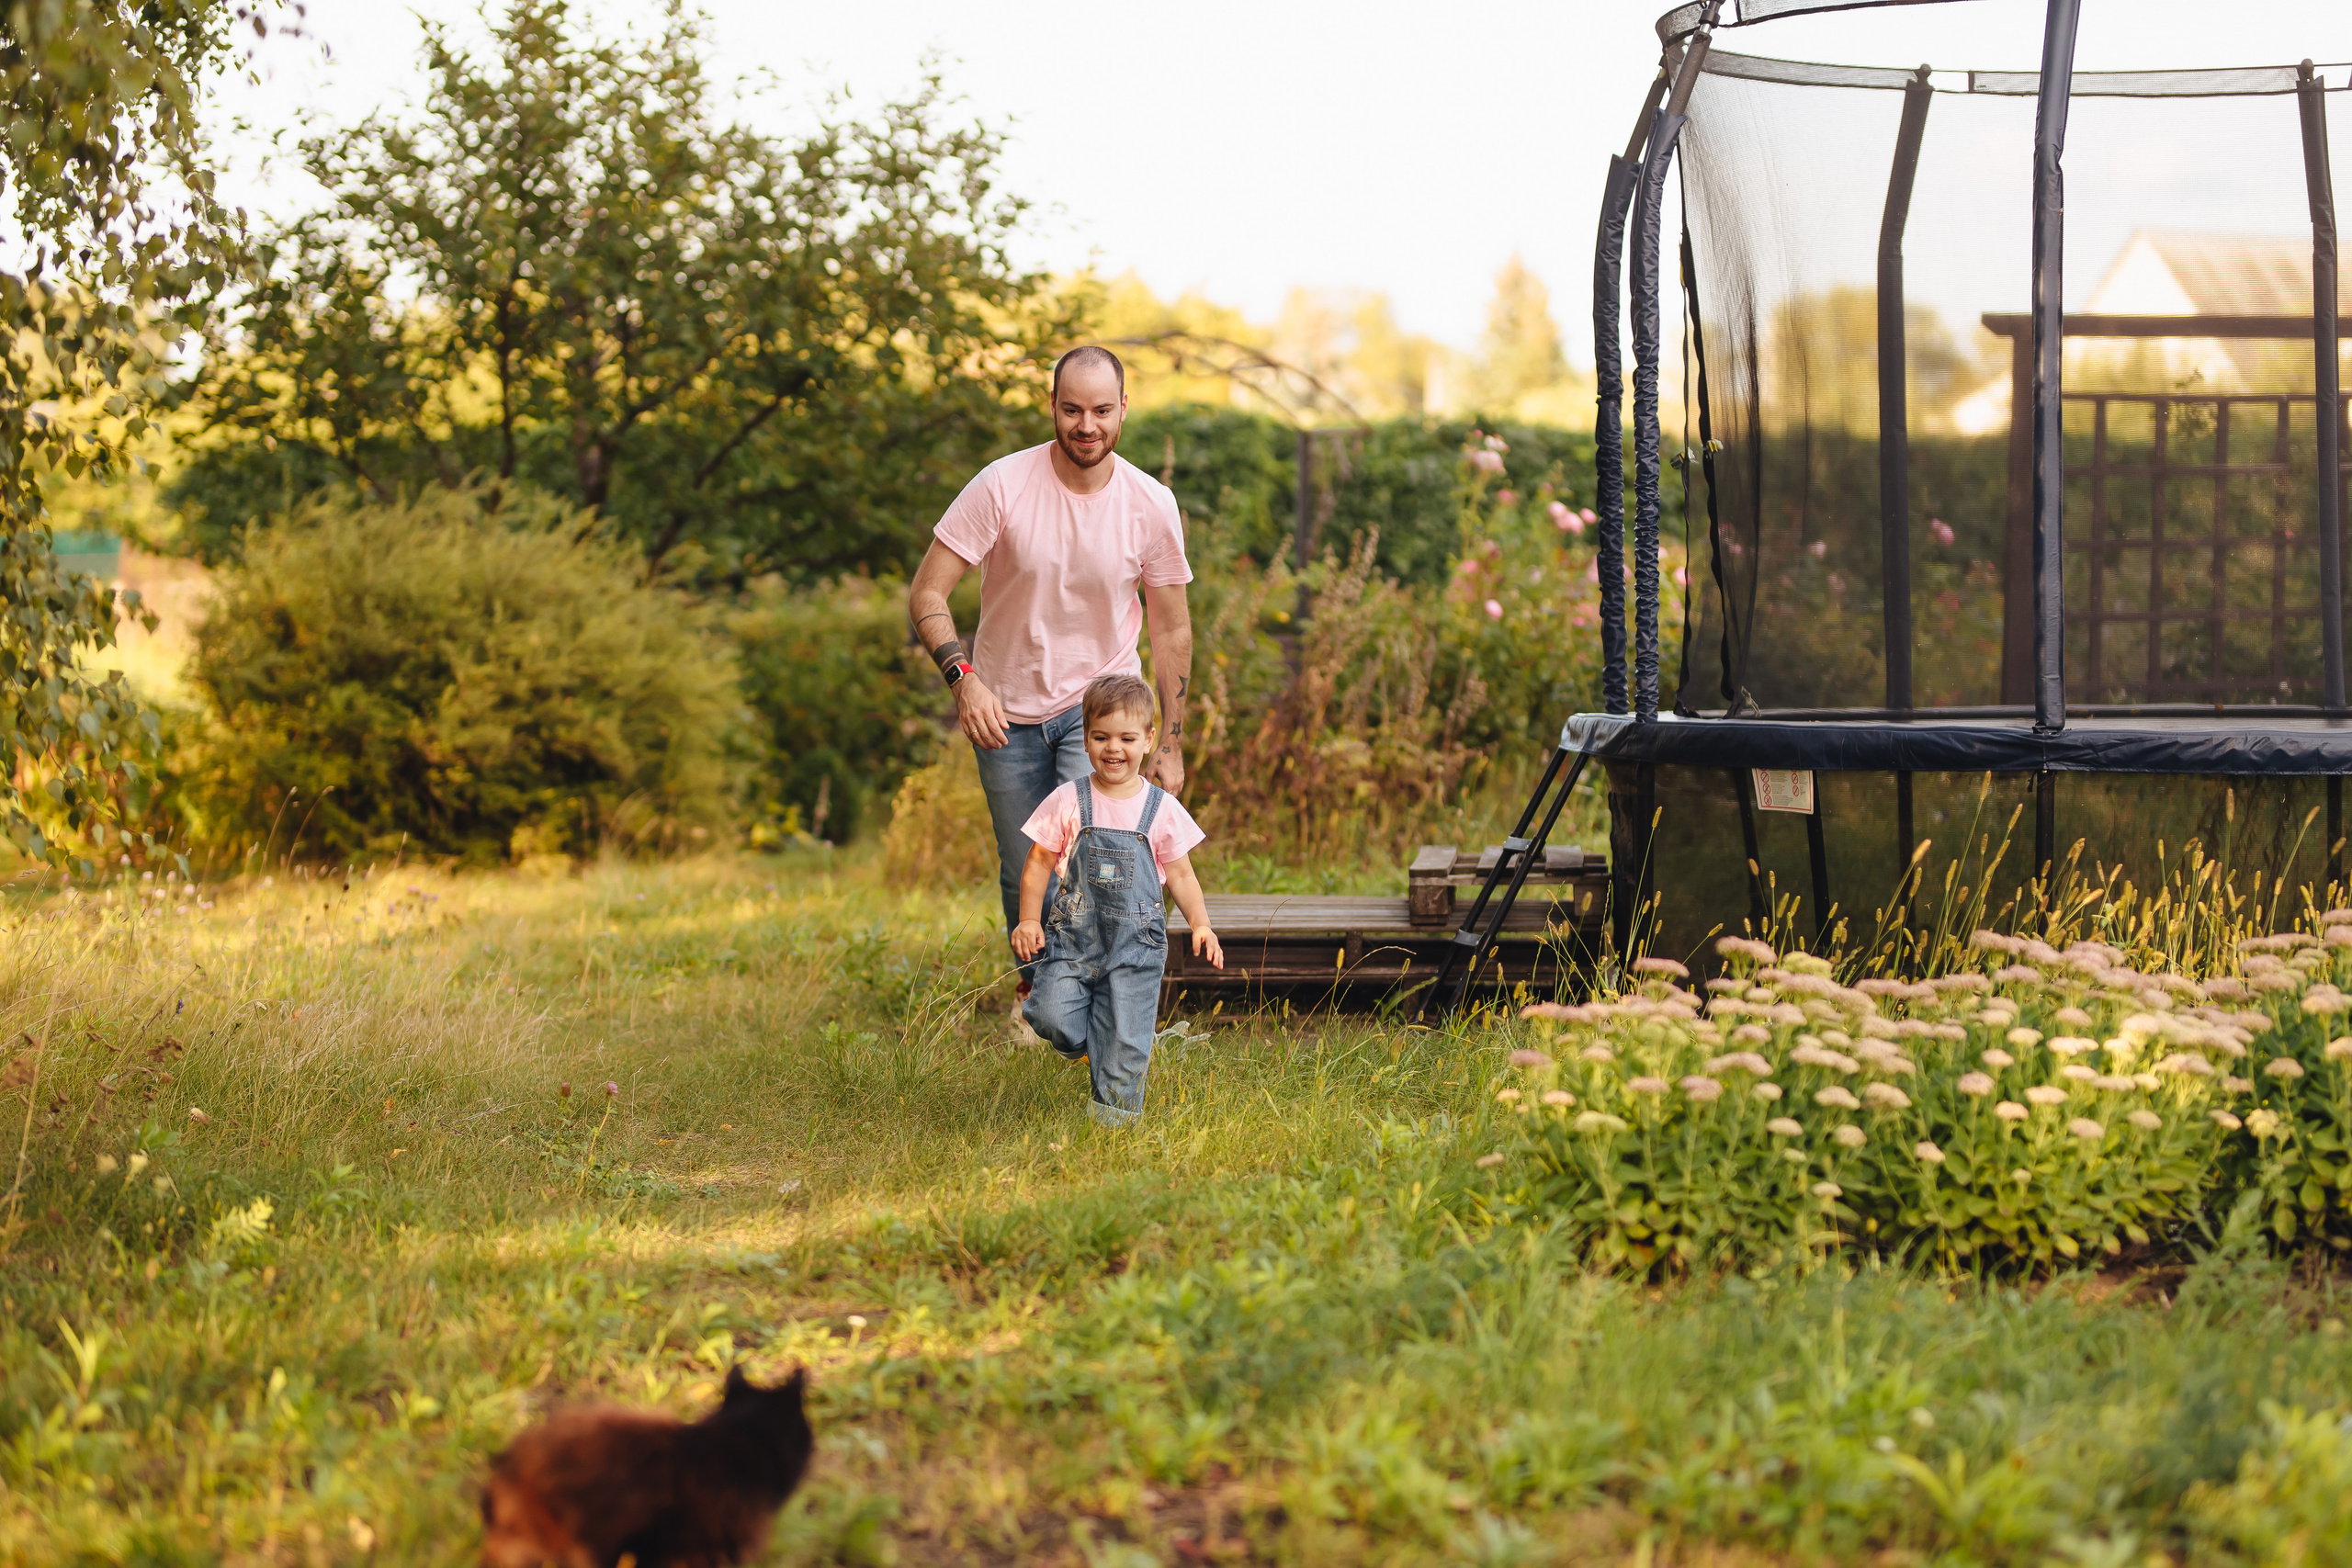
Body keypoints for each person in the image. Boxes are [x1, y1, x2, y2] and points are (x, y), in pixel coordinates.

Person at [905, 345, 1194, 994]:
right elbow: (927, 593)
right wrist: (963, 677)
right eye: (1071, 409)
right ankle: (1038, 996)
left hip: (1101, 711)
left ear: (1123, 409)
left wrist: (1169, 743)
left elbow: (1173, 626)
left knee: (1087, 860)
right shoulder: (1002, 484)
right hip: (1004, 712)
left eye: (1099, 410)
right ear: (1052, 408)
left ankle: (1089, 1002)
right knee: (1024, 867)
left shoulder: (1151, 502)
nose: (1085, 425)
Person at [1010, 674, 1221, 1125]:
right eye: (1101, 736)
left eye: (1127, 738)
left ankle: (1113, 1130)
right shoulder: (1070, 799)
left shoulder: (1161, 808)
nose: (1113, 749)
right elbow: (1037, 861)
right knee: (1048, 1014)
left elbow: (1181, 873)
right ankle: (1091, 1048)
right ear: (1085, 739)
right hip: (1074, 942)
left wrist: (1200, 924)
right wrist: (1029, 920)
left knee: (1127, 1039)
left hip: (1136, 947)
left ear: (1148, 740)